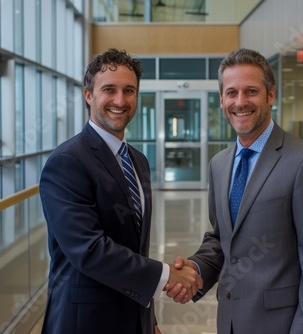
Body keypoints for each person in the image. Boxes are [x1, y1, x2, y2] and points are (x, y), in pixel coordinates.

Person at [166, 48, 303, 333]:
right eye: (231, 93)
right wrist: (197, 270)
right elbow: (223, 239)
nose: (240, 102)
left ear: (270, 95)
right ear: (222, 99)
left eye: (251, 91)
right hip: (231, 321)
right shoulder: (219, 164)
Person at [39, 48, 202, 334]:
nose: (120, 100)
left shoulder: (137, 161)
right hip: (84, 322)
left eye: (129, 90)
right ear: (88, 95)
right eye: (109, 90)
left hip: (131, 317)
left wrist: (147, 321)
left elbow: (133, 247)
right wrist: (167, 275)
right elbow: (89, 250)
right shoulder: (67, 161)